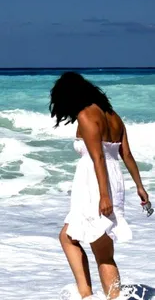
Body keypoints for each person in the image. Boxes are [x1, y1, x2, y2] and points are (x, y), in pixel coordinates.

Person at [49, 72, 149, 300]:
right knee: (92, 245)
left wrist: (104, 196)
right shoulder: (114, 117)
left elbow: (98, 158)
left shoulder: (86, 115)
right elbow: (127, 154)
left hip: (95, 183)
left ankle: (90, 296)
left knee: (85, 243)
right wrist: (139, 186)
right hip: (113, 180)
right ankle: (98, 296)